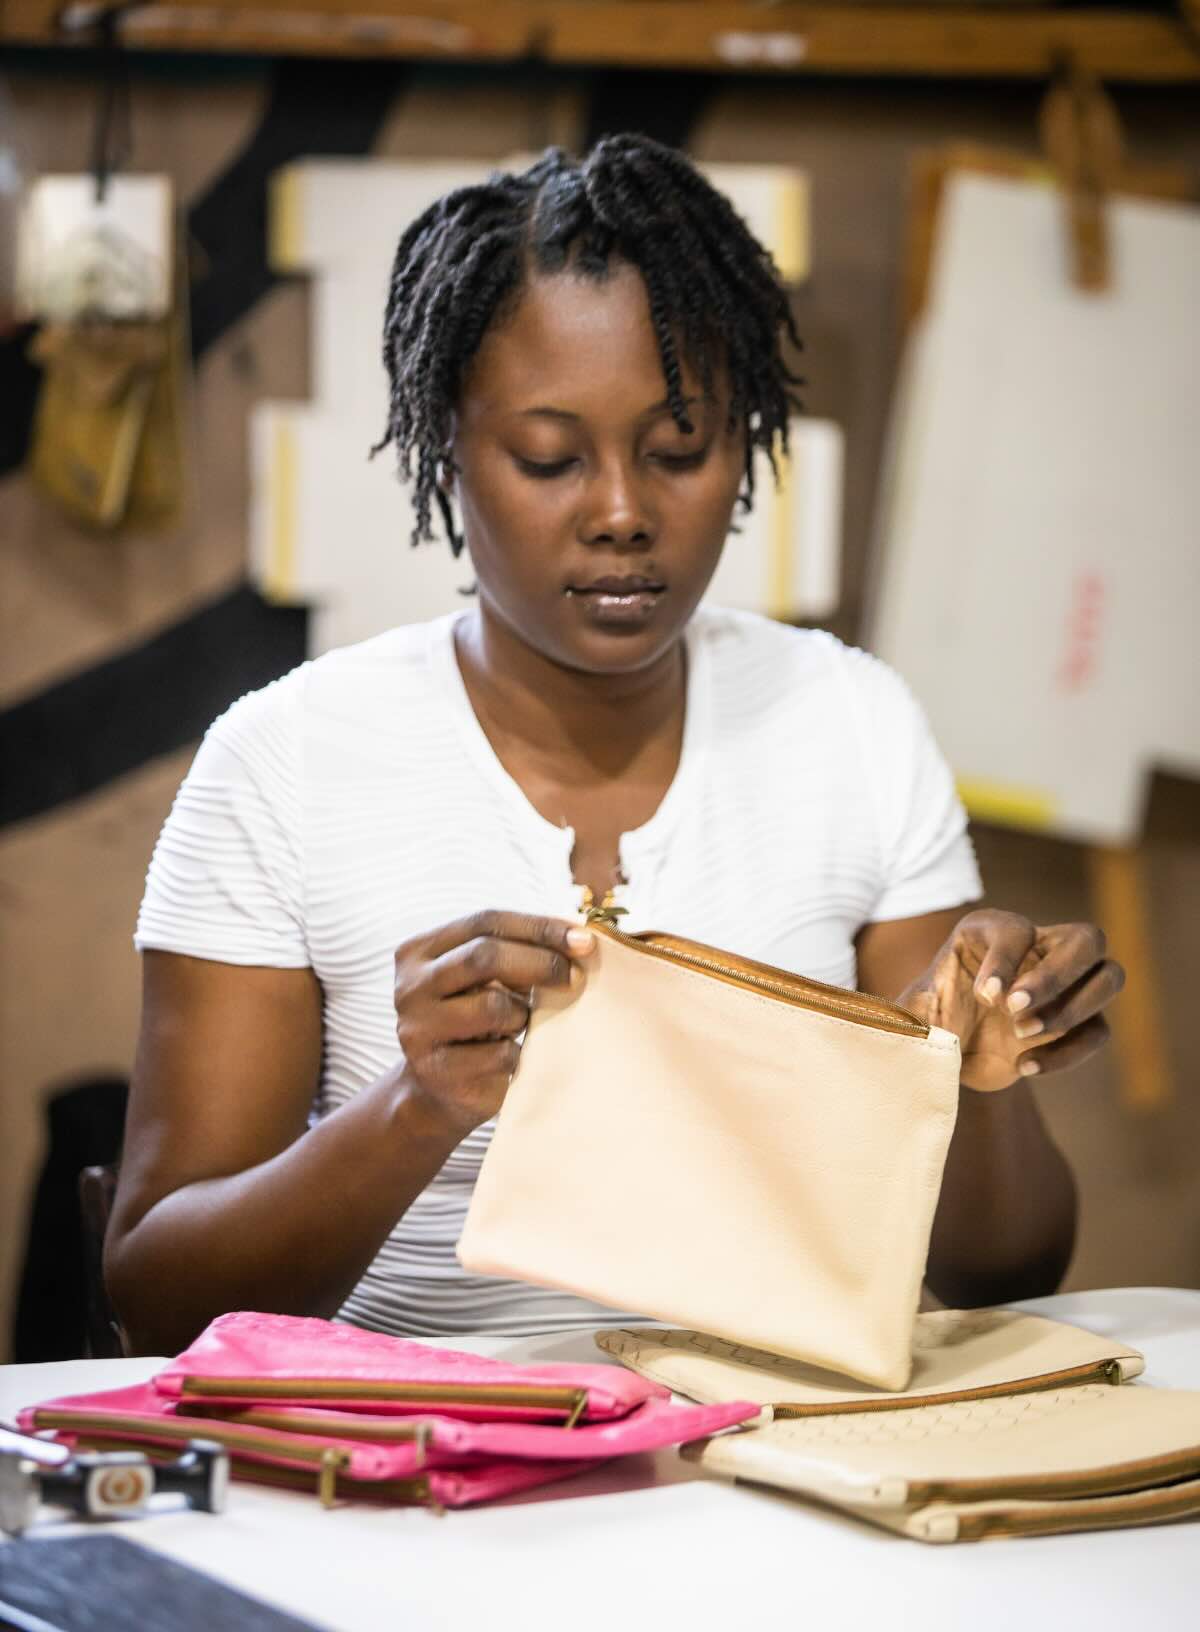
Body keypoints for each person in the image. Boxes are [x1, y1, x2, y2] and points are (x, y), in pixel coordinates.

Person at [105, 136, 1124, 1357]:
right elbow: (159, 1292)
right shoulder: (284, 763)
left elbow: (1007, 1263)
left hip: (777, 1453)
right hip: (414, 1469)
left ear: (744, 441)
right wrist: (416, 1106)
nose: (623, 512)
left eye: (679, 448)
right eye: (548, 458)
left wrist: (978, 1072)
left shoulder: (849, 723)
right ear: (445, 450)